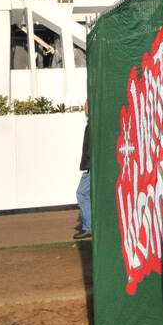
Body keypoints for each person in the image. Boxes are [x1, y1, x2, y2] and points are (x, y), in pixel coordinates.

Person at [73, 101, 91, 241]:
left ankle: (88, 226)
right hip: (90, 166)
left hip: (90, 168)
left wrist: (88, 164)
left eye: (86, 105)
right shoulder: (91, 125)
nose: (84, 108)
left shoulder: (92, 127)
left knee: (82, 193)